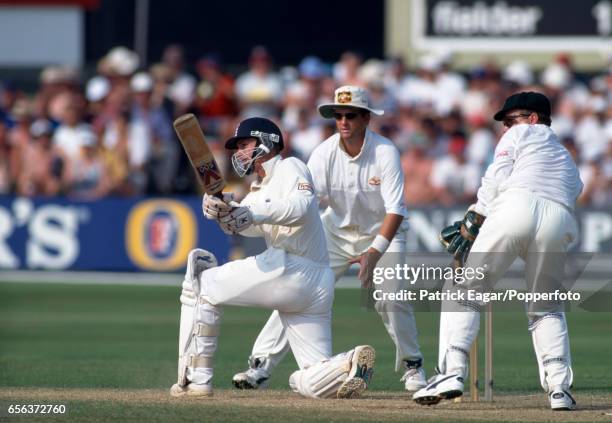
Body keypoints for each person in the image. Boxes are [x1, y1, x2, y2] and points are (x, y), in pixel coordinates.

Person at [232, 86, 426, 392]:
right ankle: (260, 366)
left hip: (383, 235)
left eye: (351, 115)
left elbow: (396, 210)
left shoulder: (385, 151)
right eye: (338, 115)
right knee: (296, 287)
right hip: (334, 234)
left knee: (390, 297)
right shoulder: (323, 153)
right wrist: (254, 211)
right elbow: (306, 201)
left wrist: (374, 252)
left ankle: (413, 366)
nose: (344, 121)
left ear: (366, 118)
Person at [169, 117, 375, 399]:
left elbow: (301, 207)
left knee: (200, 284)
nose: (238, 152)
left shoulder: (291, 166)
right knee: (309, 379)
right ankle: (347, 364)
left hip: (291, 268)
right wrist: (222, 212)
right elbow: (245, 223)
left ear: (266, 142)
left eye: (244, 144)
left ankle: (195, 381)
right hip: (315, 286)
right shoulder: (258, 189)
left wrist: (251, 212)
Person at [413, 92, 583, 411]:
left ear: (532, 118)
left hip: (515, 206)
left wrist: (476, 215)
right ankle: (559, 389)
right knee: (546, 307)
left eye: (510, 120)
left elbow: (498, 173)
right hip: (560, 218)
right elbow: (575, 190)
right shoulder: (566, 157)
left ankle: (451, 374)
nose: (505, 128)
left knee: (465, 289)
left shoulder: (521, 134)